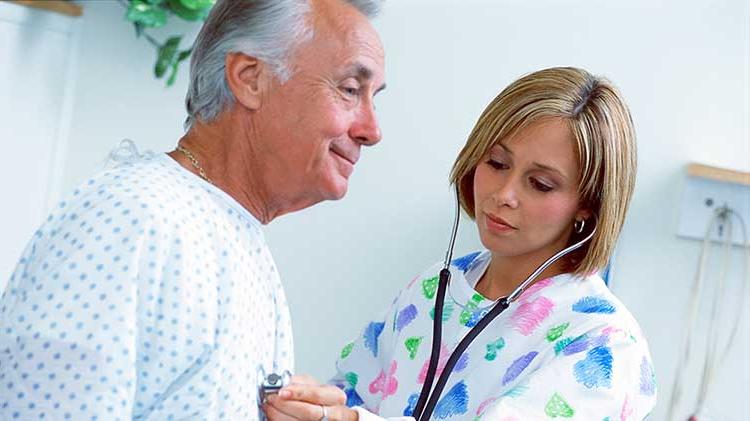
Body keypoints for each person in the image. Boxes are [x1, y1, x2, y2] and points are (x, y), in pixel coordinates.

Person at [0, 0, 385, 418]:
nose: (372, 130)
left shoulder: (228, 230)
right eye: (350, 90)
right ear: (249, 79)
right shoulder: (133, 220)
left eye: (372, 98)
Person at [264, 67, 657, 420]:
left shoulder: (604, 344)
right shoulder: (433, 289)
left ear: (587, 207)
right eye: (497, 164)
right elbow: (352, 392)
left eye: (540, 184)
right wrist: (311, 407)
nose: (504, 194)